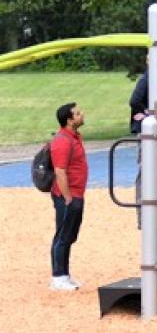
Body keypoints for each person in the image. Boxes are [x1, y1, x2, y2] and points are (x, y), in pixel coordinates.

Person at [49, 102, 88, 291]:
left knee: (69, 235)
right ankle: (58, 277)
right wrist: (67, 198)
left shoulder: (74, 137)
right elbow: (60, 171)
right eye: (78, 113)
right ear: (70, 120)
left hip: (75, 194)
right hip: (68, 196)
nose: (82, 115)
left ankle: (64, 275)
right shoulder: (63, 141)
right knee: (63, 236)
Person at [128, 56, 157, 134]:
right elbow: (134, 101)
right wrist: (147, 113)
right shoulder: (146, 80)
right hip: (146, 129)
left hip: (154, 128)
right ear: (147, 61)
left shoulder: (155, 80)